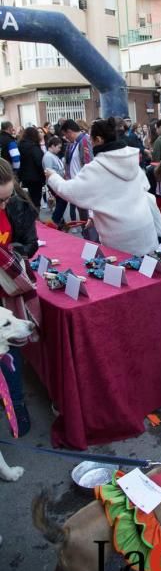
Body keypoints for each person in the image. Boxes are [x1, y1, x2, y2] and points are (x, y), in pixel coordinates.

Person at [45, 117, 161, 255]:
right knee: (145, 273)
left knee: (127, 273)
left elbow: (69, 191)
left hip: (120, 238)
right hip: (144, 229)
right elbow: (134, 189)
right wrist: (94, 216)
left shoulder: (96, 168)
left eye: (91, 139)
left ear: (99, 139)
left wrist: (52, 177)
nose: (89, 142)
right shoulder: (130, 160)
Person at [0, 158, 39, 437]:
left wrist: (17, 249)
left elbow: (31, 242)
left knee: (10, 353)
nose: (4, 205)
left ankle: (18, 414)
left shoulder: (18, 205)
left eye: (7, 197)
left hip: (6, 291)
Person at [61, 119, 93, 222]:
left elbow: (88, 164)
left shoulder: (84, 140)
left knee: (86, 218)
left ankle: (89, 237)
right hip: (76, 186)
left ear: (70, 131)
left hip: (83, 188)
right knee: (82, 217)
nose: (65, 137)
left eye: (66, 134)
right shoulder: (73, 143)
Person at [18, 127, 45, 210]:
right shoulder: (34, 147)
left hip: (24, 177)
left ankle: (30, 218)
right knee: (36, 200)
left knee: (28, 199)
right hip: (36, 178)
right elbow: (39, 162)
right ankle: (36, 219)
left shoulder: (19, 145)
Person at [42, 137, 67, 226]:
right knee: (62, 201)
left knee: (61, 201)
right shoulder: (48, 156)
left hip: (56, 182)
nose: (60, 149)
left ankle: (59, 220)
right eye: (58, 147)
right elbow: (48, 171)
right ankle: (55, 220)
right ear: (52, 146)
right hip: (53, 183)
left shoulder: (52, 155)